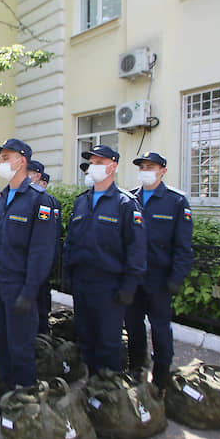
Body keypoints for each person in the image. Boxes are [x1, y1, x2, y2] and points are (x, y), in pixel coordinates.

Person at [0, 140, 57, 416]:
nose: (1, 162)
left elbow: (42, 251)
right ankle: (8, 394)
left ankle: (25, 404)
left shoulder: (39, 200)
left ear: (21, 160)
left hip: (21, 287)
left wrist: (29, 291)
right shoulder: (5, 197)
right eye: (0, 157)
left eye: (6, 157)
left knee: (21, 346)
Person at [63, 145, 147, 374]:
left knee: (109, 343)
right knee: (86, 338)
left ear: (113, 166)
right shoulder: (82, 202)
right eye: (92, 163)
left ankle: (109, 394)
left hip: (110, 286)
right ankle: (92, 389)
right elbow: (71, 241)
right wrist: (68, 275)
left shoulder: (125, 204)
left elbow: (136, 250)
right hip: (83, 283)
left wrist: (129, 287)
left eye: (100, 163)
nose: (94, 167)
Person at [127, 152, 193, 392]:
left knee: (160, 327)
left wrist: (176, 278)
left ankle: (162, 373)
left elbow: (184, 246)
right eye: (142, 166)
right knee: (133, 325)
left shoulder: (176, 201)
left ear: (162, 170)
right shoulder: (130, 199)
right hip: (134, 278)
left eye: (151, 166)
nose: (146, 170)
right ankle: (136, 367)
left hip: (160, 279)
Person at [32, 170, 62, 334]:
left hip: (44, 260)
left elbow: (53, 233)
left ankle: (43, 331)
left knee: (42, 298)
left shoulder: (49, 201)